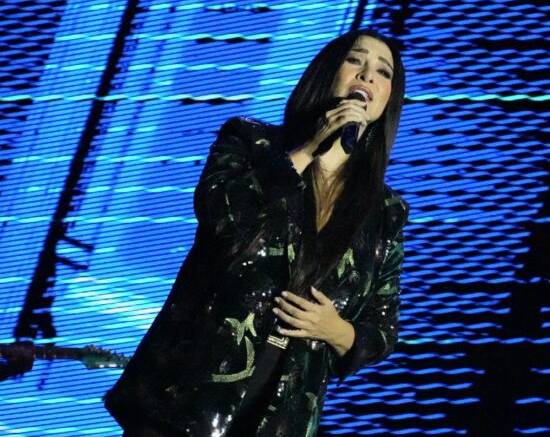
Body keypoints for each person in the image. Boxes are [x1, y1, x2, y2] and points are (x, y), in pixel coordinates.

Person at [103, 28, 409, 437]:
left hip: (281, 417)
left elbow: (382, 329)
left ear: (389, 99)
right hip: (185, 397)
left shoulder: (384, 212)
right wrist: (306, 151)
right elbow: (220, 216)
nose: (367, 75)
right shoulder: (251, 143)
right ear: (327, 73)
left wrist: (335, 330)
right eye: (355, 60)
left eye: (383, 71)